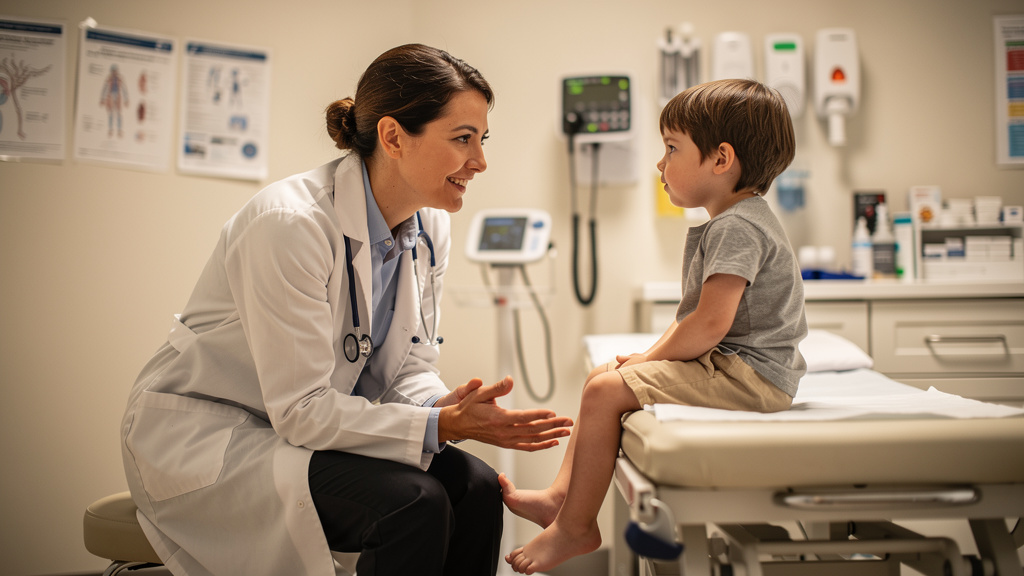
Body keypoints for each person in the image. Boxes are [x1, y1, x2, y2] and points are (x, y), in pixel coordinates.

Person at [120, 43, 573, 576]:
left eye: (481, 139)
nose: (479, 161)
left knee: (476, 487)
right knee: (414, 504)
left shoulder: (430, 227)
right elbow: (301, 408)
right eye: (462, 138)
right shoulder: (291, 225)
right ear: (393, 137)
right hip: (211, 436)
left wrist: (445, 407)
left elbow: (408, 366)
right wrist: (441, 423)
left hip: (296, 429)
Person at [499, 78, 808, 574]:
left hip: (752, 379)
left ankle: (577, 527)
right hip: (737, 369)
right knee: (604, 375)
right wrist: (644, 361)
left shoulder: (738, 226)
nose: (660, 164)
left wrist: (648, 360)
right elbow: (697, 322)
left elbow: (709, 324)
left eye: (671, 149)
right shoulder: (737, 220)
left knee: (606, 391)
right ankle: (561, 499)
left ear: (721, 159)